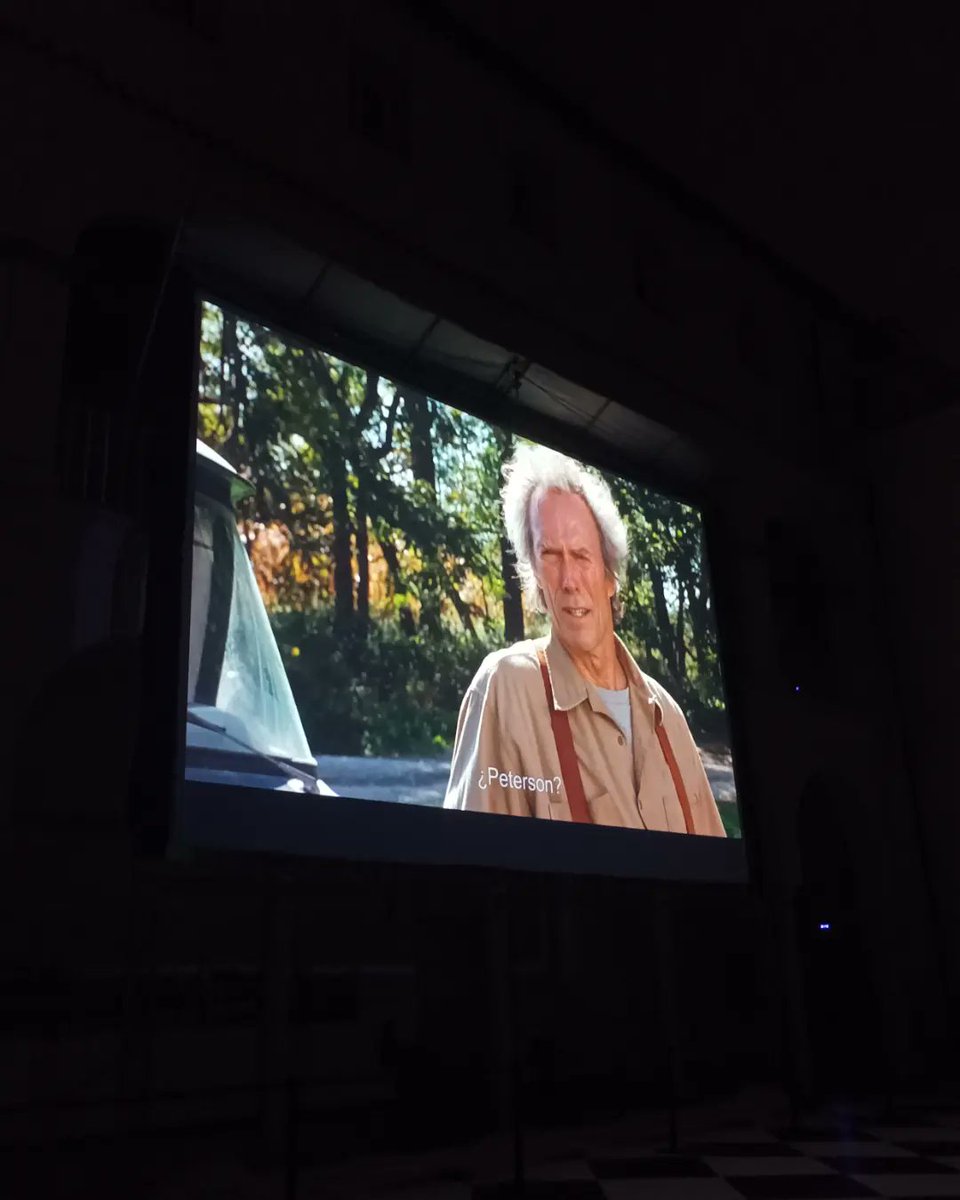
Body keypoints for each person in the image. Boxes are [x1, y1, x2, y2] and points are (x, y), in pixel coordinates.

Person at [443, 444, 726, 835]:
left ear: (610, 575)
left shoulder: (668, 717)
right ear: (536, 578)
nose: (569, 581)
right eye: (551, 556)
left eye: (580, 555)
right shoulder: (506, 689)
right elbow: (469, 867)